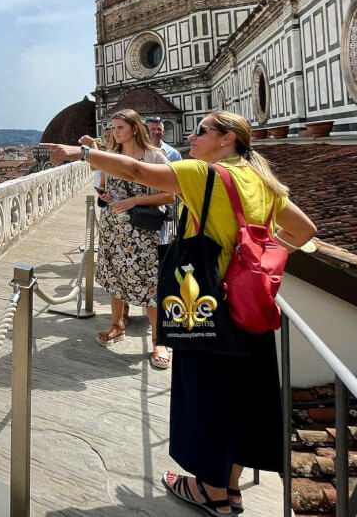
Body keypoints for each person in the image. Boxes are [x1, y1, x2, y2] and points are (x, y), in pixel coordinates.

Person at [42, 111, 317, 516]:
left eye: (201, 130)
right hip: (252, 309)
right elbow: (304, 230)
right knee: (242, 401)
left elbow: (137, 169)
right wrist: (258, 260)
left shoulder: (205, 175)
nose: (191, 135)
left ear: (227, 140)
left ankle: (210, 492)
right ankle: (231, 487)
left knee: (205, 398)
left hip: (204, 307)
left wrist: (81, 153)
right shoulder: (262, 181)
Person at [89, 110, 173, 369]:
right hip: (114, 228)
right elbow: (105, 188)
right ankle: (117, 325)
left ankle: (159, 340)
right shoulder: (111, 157)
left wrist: (134, 200)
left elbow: (170, 195)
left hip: (142, 231)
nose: (115, 132)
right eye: (113, 128)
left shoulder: (155, 157)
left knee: (150, 285)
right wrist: (106, 197)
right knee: (115, 277)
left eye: (120, 127)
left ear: (135, 128)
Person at [146, 116, 182, 244]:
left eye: (159, 129)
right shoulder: (139, 151)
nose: (156, 132)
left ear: (164, 131)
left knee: (162, 239)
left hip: (164, 203)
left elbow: (179, 179)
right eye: (153, 129)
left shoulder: (173, 154)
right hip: (142, 202)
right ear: (146, 131)